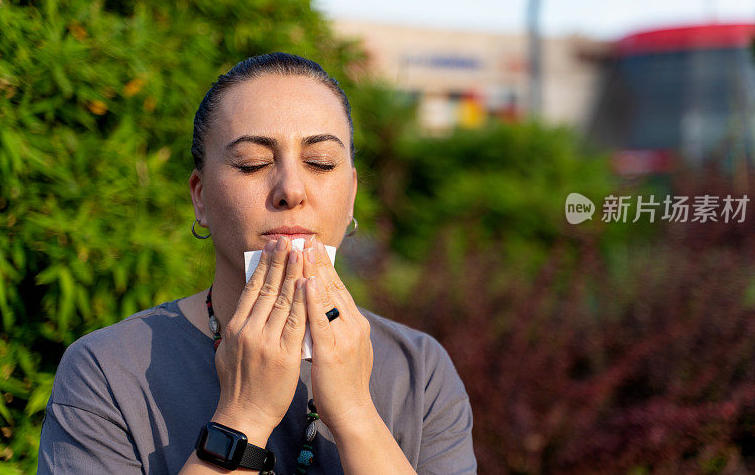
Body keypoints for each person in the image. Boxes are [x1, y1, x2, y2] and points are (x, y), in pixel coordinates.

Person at [37, 52, 477, 474]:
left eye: (320, 163)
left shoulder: (420, 371)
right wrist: (244, 414)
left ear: (352, 195)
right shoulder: (108, 370)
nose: (291, 189)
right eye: (253, 164)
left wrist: (355, 413)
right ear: (200, 197)